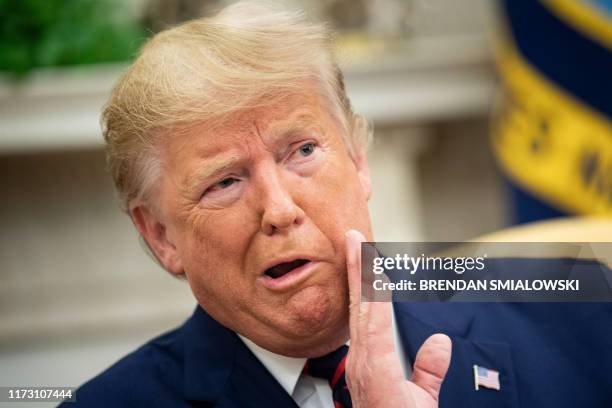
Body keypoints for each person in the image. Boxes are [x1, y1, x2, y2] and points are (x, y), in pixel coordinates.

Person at [64, 2, 612, 407]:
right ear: (160, 235)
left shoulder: (582, 318)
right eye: (225, 182)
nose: (279, 210)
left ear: (358, 159)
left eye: (302, 151)